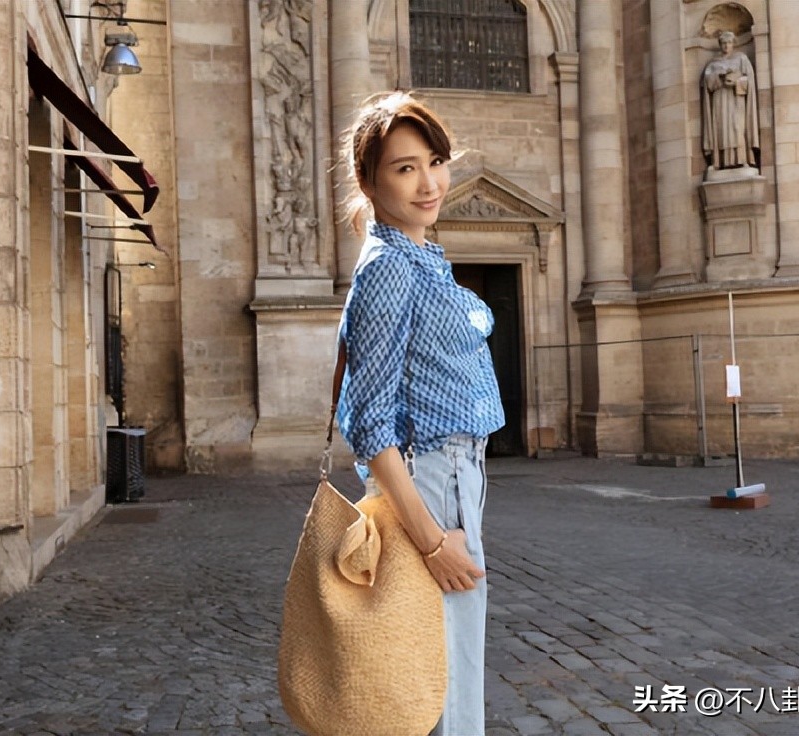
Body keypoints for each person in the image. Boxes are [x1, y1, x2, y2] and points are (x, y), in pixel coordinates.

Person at [335, 91, 505, 735]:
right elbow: (369, 424)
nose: (429, 183)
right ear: (368, 181)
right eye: (405, 168)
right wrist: (433, 540)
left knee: (442, 671)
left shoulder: (418, 258)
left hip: (453, 477)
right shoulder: (388, 269)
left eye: (435, 161)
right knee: (440, 684)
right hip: (429, 482)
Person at [701, 31, 760, 171]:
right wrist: (718, 77)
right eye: (723, 43)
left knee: (737, 128)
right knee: (720, 130)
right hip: (719, 99)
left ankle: (743, 159)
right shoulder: (713, 63)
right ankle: (718, 162)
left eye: (729, 43)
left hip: (736, 99)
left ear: (733, 44)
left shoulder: (741, 59)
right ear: (720, 45)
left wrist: (736, 81)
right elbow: (707, 83)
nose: (726, 46)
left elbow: (750, 81)